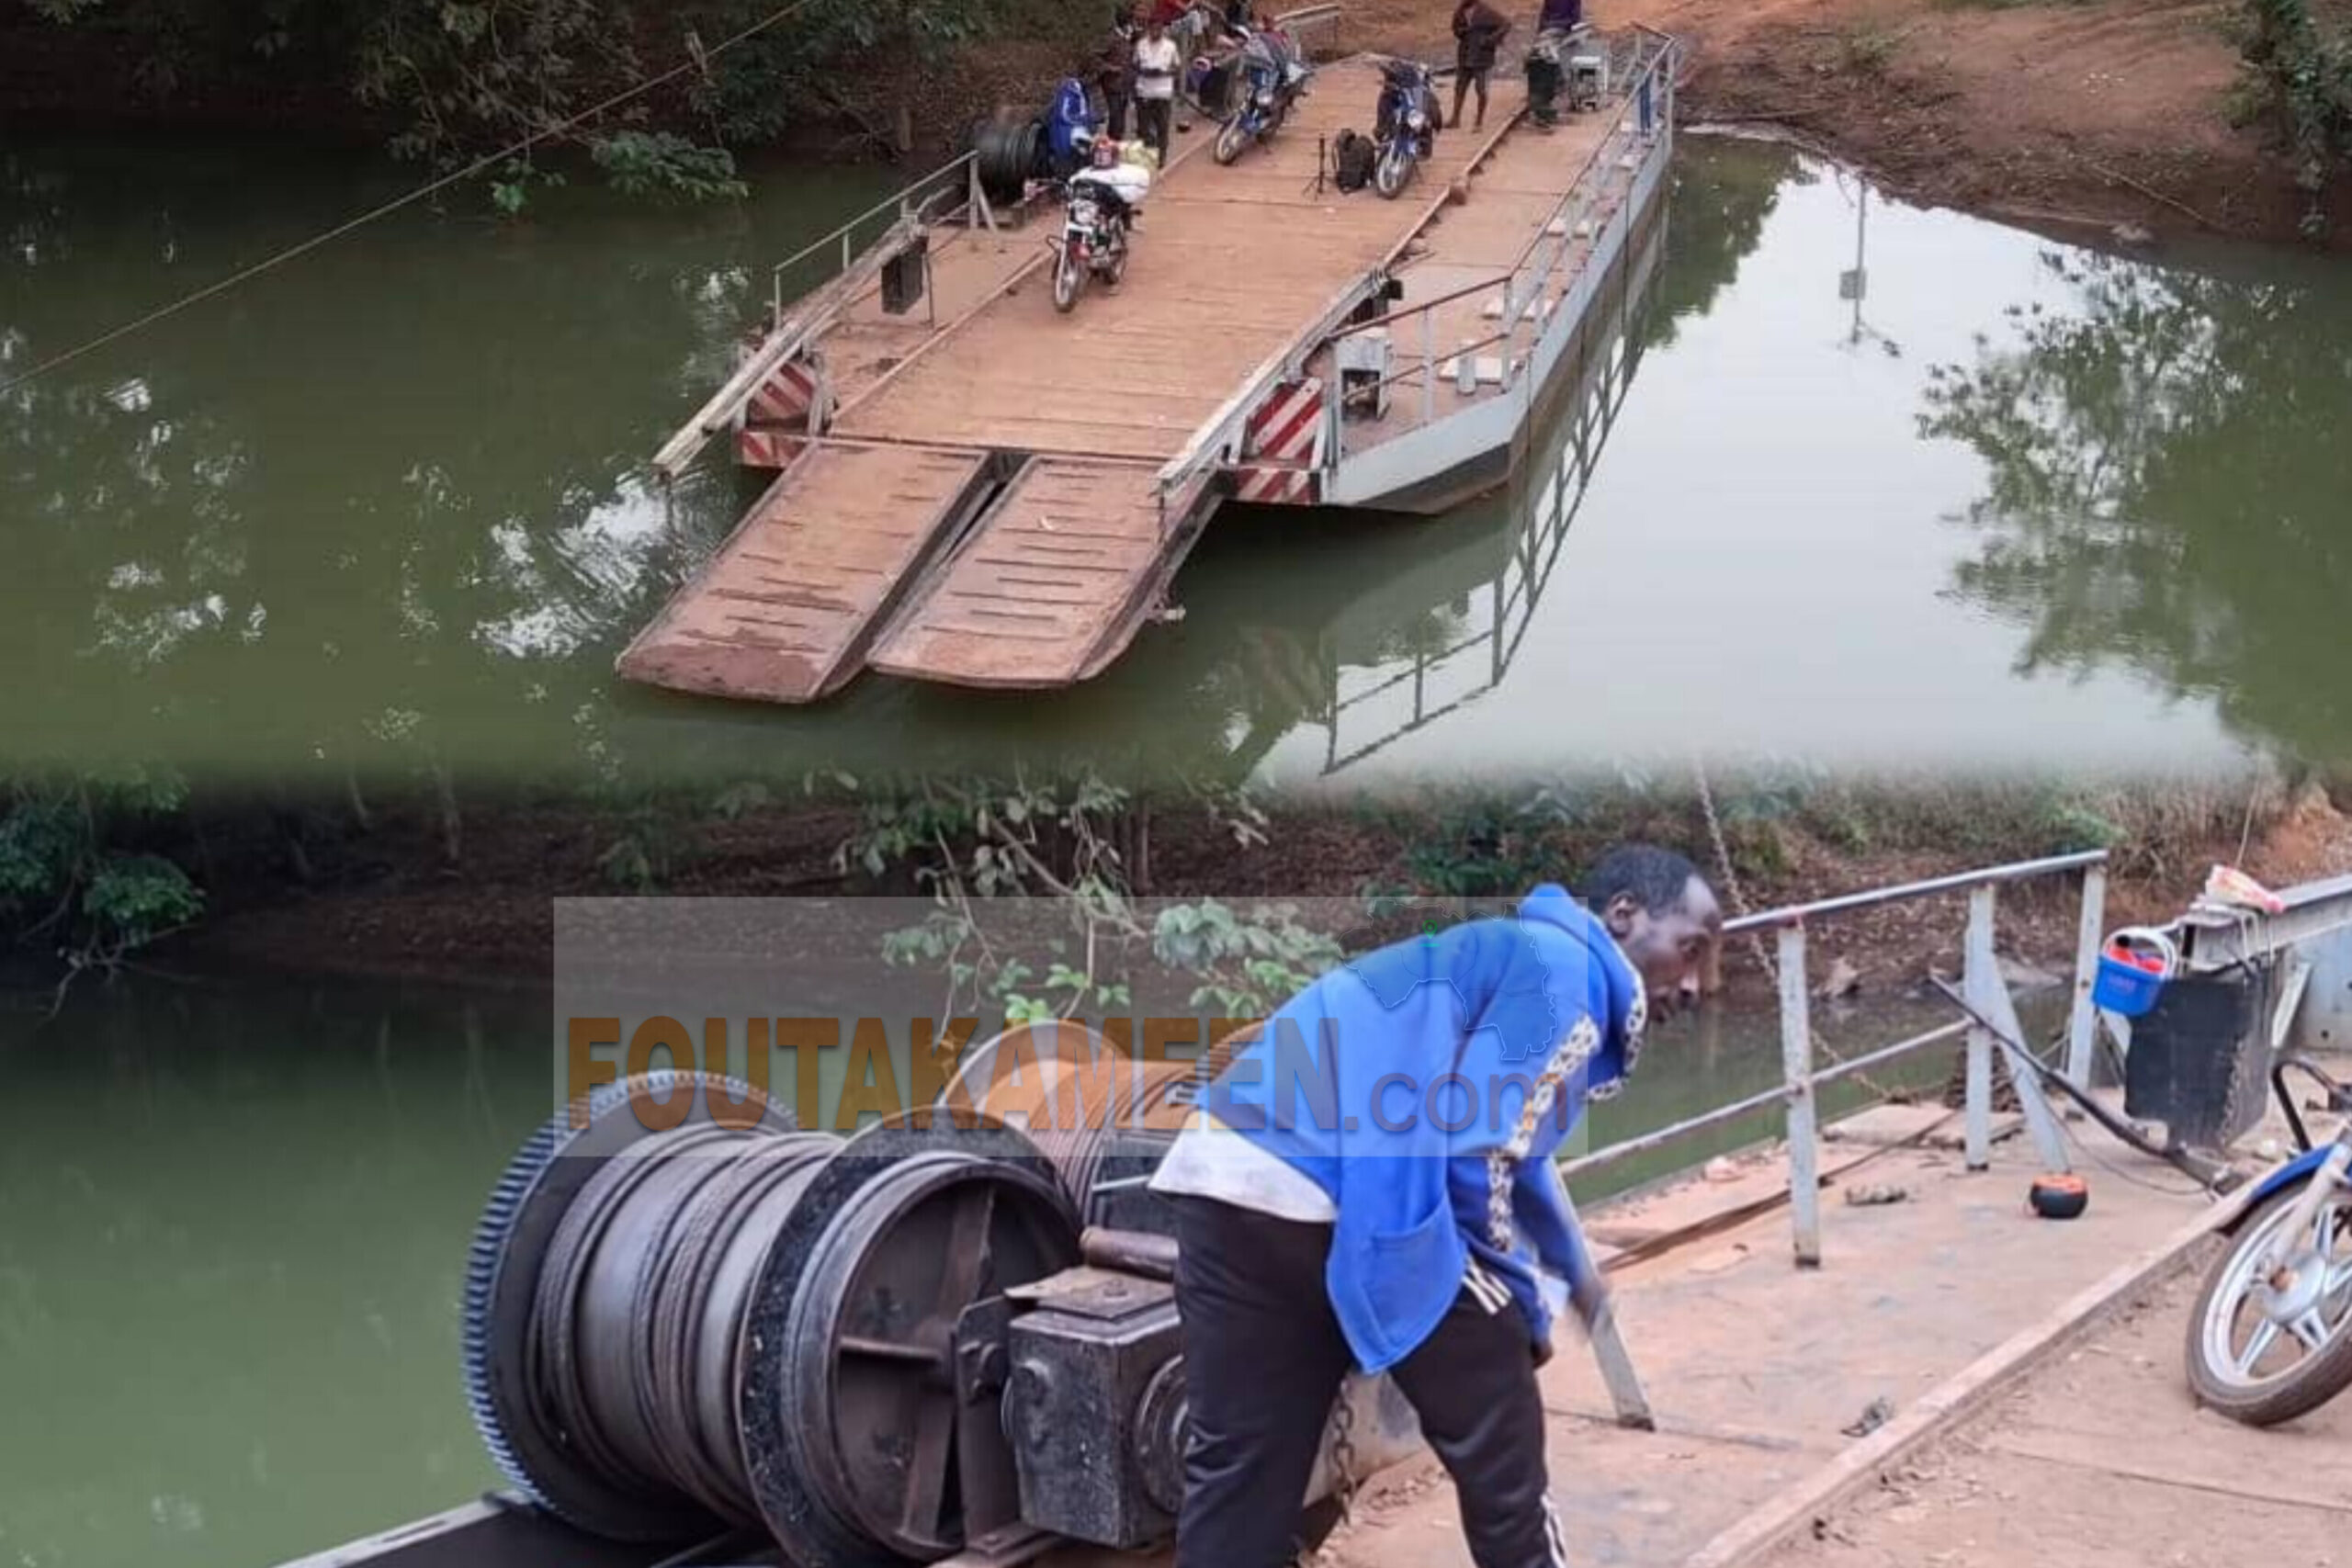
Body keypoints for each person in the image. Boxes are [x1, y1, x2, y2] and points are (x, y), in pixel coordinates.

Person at [1150, 845, 1723, 1568]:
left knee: (1240, 1473)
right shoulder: (1568, 973)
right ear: (1624, 914)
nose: (1698, 983)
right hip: (1331, 1178)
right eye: (1691, 950)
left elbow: (1521, 1156)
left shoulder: (1515, 952)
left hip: (1223, 1164)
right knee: (1502, 1429)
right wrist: (1513, 1308)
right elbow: (1474, 1153)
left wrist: (1573, 1274)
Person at [1451, 0, 1512, 130]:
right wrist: (1461, 32)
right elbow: (1455, 29)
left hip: (1482, 58)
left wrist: (1491, 40)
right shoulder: (1460, 11)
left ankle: (1479, 121)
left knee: (1481, 90)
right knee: (1459, 88)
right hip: (1465, 55)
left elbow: (1506, 24)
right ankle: (1455, 118)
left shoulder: (1487, 12)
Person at [1133, 17, 1181, 164]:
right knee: (1143, 128)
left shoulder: (1171, 46)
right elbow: (1134, 64)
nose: (1155, 32)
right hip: (1144, 91)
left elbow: (1177, 67)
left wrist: (1164, 72)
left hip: (1163, 92)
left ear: (1162, 29)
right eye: (1153, 29)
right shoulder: (1141, 45)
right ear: (1148, 29)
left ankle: (1161, 158)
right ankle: (1146, 157)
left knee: (1162, 126)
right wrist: (1144, 71)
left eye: (1158, 29)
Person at [1096, 5, 1139, 141]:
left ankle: (1115, 146)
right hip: (1112, 84)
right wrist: (1110, 67)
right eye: (1128, 19)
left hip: (1125, 83)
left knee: (1120, 117)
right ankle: (1111, 145)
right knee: (1115, 117)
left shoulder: (1129, 35)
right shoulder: (1110, 37)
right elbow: (1093, 56)